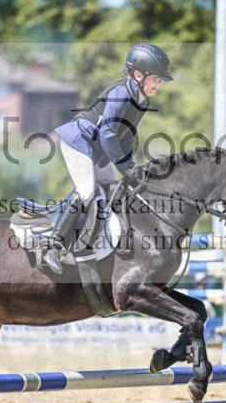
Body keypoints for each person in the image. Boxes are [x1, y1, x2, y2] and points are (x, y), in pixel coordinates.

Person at [43, 43, 173, 273]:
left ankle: (97, 242)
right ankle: (53, 246)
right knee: (87, 192)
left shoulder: (142, 100)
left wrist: (130, 166)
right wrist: (124, 165)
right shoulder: (122, 94)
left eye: (161, 81)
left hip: (98, 148)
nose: (158, 84)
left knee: (114, 191)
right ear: (138, 75)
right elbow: (108, 133)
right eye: (156, 79)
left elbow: (125, 134)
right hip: (79, 142)